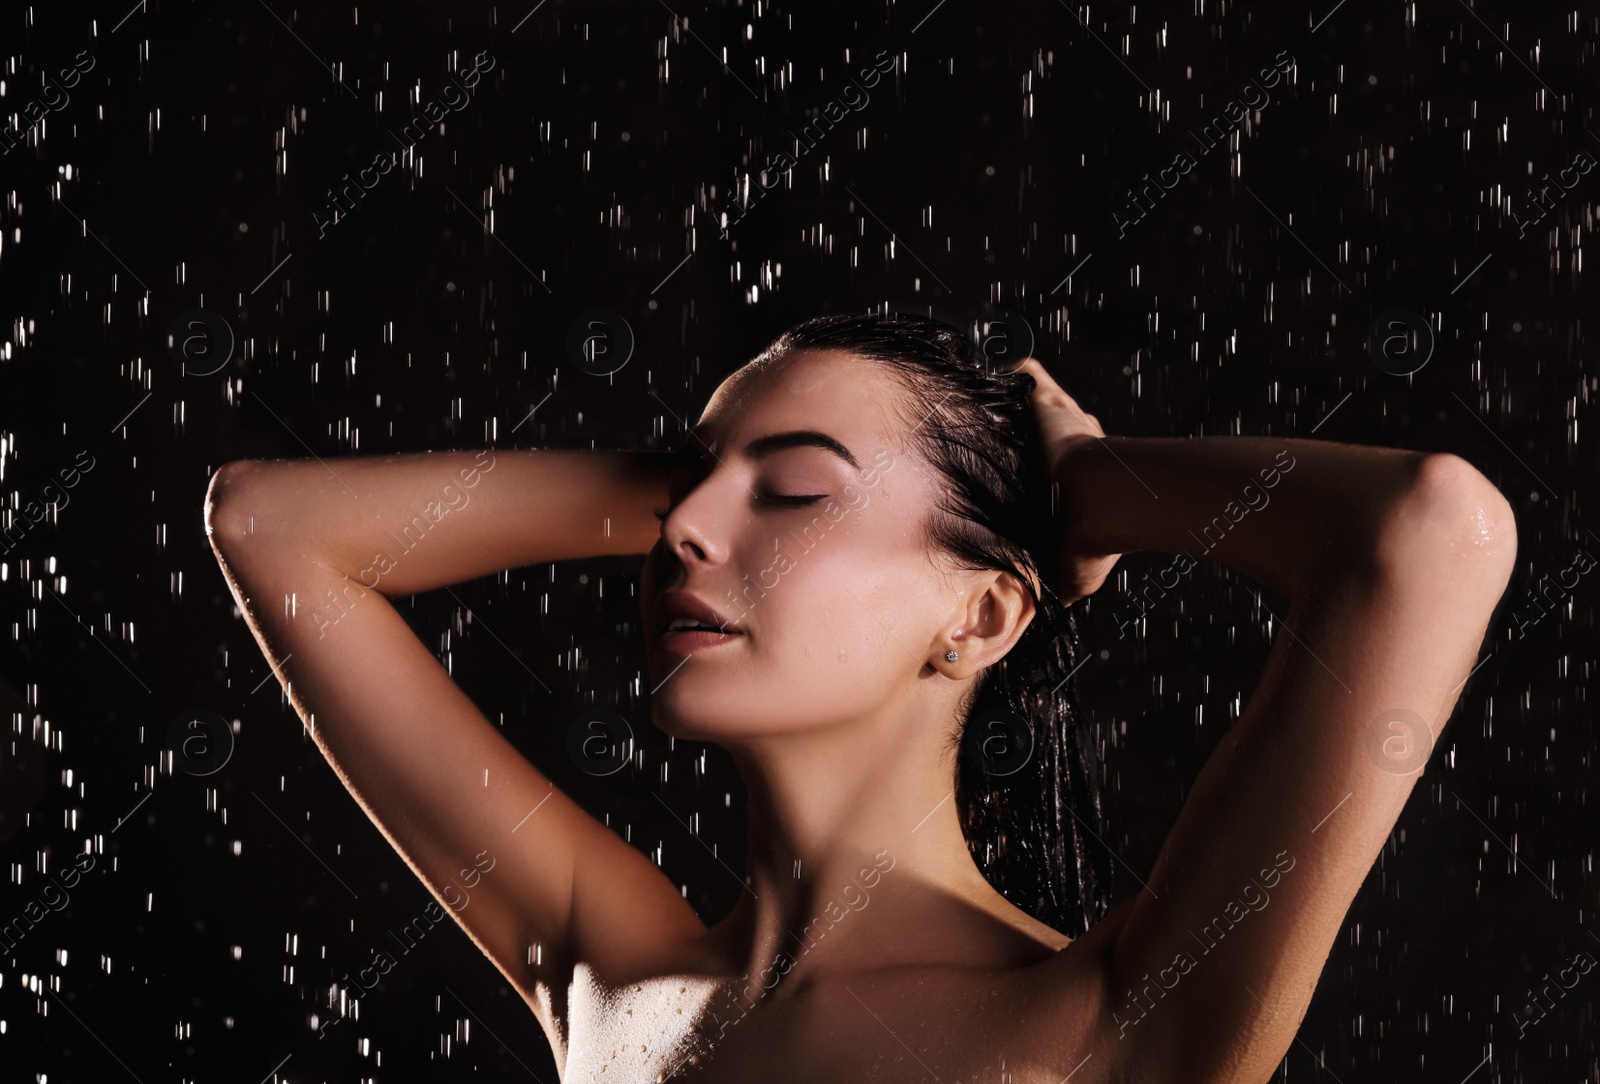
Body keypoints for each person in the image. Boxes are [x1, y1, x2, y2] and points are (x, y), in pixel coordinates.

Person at [204, 311, 1517, 1082]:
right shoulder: (613, 979)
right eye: (680, 489)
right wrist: (712, 488)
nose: (682, 533)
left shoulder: (1106, 1026)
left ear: (984, 613)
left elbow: (1429, 530)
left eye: (794, 491)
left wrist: (1090, 485)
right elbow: (271, 525)